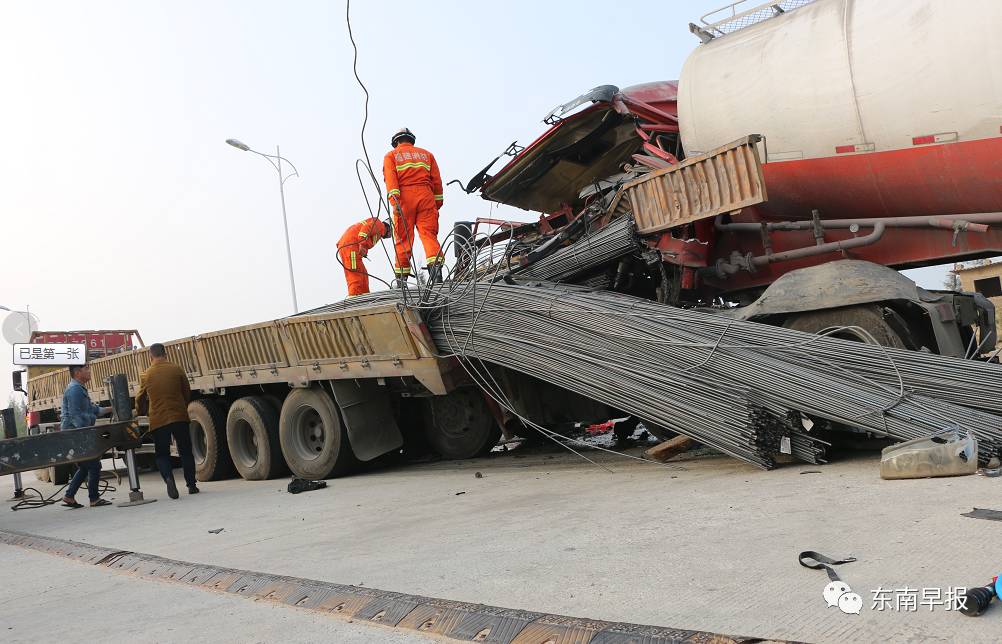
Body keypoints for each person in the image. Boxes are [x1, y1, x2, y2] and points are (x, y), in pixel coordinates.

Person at [382, 128, 445, 283]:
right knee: (429, 235)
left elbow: (391, 179)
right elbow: (437, 181)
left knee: (403, 239)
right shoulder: (427, 155)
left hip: (403, 199)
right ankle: (436, 276)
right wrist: (436, 203)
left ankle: (401, 281)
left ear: (396, 142)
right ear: (411, 140)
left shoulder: (391, 155)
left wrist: (394, 201)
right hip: (426, 196)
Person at [136, 343, 198, 499]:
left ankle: (169, 479)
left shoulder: (146, 374)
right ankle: (191, 485)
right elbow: (186, 391)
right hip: (179, 416)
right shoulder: (177, 369)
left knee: (162, 454)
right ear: (165, 353)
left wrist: (140, 411)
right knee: (185, 451)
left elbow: (140, 397)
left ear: (151, 356)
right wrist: (182, 406)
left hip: (159, 419)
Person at [61, 364, 113, 508]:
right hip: (76, 434)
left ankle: (69, 496)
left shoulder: (79, 388)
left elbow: (92, 409)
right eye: (86, 369)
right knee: (94, 465)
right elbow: (75, 416)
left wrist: (111, 408)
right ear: (78, 373)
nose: (89, 372)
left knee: (85, 466)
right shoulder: (75, 390)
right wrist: (86, 435)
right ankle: (94, 499)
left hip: (77, 433)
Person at [337, 217, 392, 296]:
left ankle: (365, 297)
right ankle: (354, 299)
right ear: (389, 227)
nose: (390, 236)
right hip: (350, 246)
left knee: (363, 274)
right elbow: (365, 229)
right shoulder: (379, 225)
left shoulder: (379, 228)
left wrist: (363, 247)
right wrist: (362, 244)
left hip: (350, 246)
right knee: (355, 274)